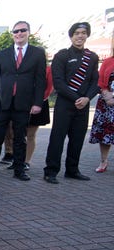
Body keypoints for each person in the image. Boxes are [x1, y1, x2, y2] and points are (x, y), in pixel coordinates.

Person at [0, 21, 46, 182]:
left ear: (28, 32)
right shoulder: (2, 54)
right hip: (2, 103)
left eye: (22, 30)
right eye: (16, 31)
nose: (19, 34)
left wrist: (38, 103)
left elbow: (40, 80)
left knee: (20, 139)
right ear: (12, 34)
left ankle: (19, 170)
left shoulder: (37, 54)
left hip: (23, 104)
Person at [43, 22, 99, 184]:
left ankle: (72, 170)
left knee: (77, 138)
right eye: (76, 33)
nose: (80, 36)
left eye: (83, 33)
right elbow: (59, 83)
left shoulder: (92, 57)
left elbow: (95, 82)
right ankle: (51, 171)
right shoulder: (62, 56)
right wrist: (76, 98)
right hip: (65, 104)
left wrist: (87, 98)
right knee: (57, 138)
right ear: (71, 36)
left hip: (84, 104)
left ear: (87, 35)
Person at [88, 54, 114, 173]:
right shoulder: (108, 61)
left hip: (111, 99)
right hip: (106, 104)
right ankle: (103, 161)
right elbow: (101, 81)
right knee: (105, 134)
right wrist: (106, 95)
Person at [25, 64, 53, 169]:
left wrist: (37, 101)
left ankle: (26, 161)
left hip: (39, 103)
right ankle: (17, 160)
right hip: (22, 103)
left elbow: (49, 88)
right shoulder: (25, 67)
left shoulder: (48, 69)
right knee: (18, 133)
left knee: (30, 134)